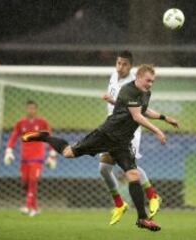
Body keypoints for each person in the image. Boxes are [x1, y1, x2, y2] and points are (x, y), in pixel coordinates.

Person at [21, 64, 179, 231]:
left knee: (133, 174)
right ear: (138, 77)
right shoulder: (129, 90)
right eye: (148, 80)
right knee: (68, 153)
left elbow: (144, 110)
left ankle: (142, 218)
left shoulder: (146, 92)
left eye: (152, 82)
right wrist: (157, 130)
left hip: (122, 142)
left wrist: (164, 117)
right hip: (106, 135)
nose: (150, 84)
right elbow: (137, 115)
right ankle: (45, 137)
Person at [100, 51, 161, 225]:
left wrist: (113, 101)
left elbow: (137, 110)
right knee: (103, 168)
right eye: (118, 63)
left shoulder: (135, 84)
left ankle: (152, 196)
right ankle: (119, 204)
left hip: (129, 130)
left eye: (124, 64)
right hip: (111, 129)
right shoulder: (113, 76)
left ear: (131, 66)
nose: (120, 67)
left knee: (130, 167)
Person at [4, 100, 57, 217]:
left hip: (37, 157)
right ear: (26, 109)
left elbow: (49, 138)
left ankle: (27, 207)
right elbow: (13, 137)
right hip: (24, 158)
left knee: (33, 181)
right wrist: (9, 150)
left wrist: (52, 154)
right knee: (26, 183)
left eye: (33, 108)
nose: (31, 110)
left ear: (36, 110)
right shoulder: (21, 123)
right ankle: (35, 208)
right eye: (29, 108)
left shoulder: (42, 123)